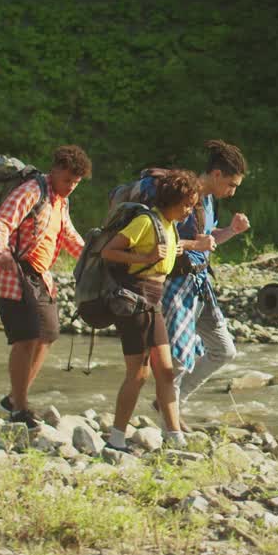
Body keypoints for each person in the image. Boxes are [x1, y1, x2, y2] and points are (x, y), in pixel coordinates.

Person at [0, 145, 91, 429]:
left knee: (49, 333)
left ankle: (14, 398)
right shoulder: (32, 190)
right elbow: (2, 222)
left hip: (40, 276)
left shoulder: (60, 200)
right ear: (54, 171)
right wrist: (1, 252)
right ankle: (20, 407)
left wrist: (95, 255)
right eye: (67, 180)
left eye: (76, 183)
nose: (71, 187)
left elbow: (67, 235)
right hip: (12, 270)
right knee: (26, 337)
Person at [99, 169, 199, 451]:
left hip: (153, 301)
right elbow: (108, 251)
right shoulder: (146, 221)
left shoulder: (169, 224)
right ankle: (116, 439)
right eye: (187, 204)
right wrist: (145, 256)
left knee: (166, 371)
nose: (190, 211)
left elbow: (169, 249)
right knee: (139, 374)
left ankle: (174, 436)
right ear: (172, 200)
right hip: (134, 300)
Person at [161, 140, 250, 426]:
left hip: (200, 286)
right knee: (177, 359)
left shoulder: (210, 201)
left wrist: (232, 231)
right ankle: (169, 418)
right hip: (176, 285)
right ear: (216, 175)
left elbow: (207, 242)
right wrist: (192, 243)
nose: (233, 191)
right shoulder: (186, 195)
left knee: (224, 350)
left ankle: (171, 403)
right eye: (232, 185)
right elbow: (162, 240)